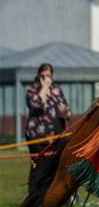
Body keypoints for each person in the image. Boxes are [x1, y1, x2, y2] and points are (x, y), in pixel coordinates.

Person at [25, 63, 70, 191]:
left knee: (55, 167)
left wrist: (66, 112)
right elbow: (37, 104)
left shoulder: (56, 90)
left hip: (57, 136)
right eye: (43, 76)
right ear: (38, 76)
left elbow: (66, 111)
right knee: (39, 167)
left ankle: (53, 196)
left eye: (48, 76)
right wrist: (44, 88)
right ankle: (33, 196)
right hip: (38, 136)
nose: (46, 79)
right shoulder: (32, 90)